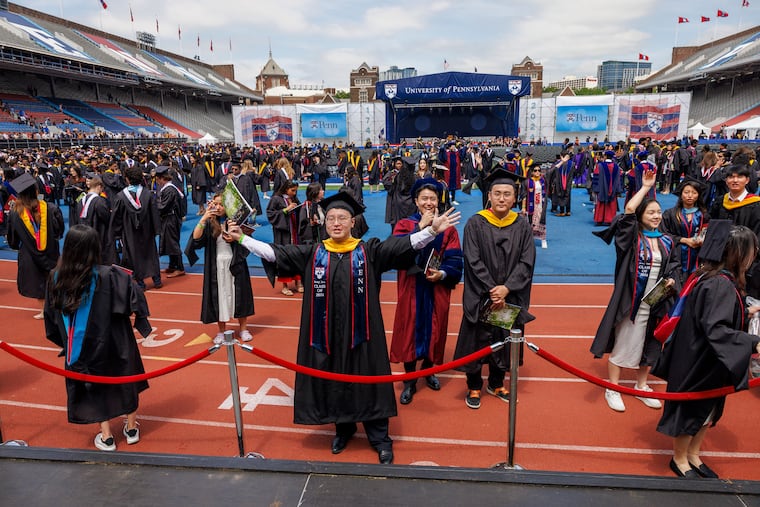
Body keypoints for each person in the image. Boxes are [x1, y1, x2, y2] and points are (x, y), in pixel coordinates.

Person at [226, 191, 460, 465]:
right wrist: (242, 238)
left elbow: (402, 246)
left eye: (342, 218)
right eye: (332, 218)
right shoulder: (314, 253)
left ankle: (380, 438)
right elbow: (275, 253)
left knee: (370, 382)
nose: (336, 223)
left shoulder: (369, 250)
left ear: (352, 222)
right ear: (325, 223)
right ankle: (344, 429)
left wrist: (431, 231)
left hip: (364, 337)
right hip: (327, 337)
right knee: (334, 381)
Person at [651, 221, 760, 479]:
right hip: (700, 359)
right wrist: (753, 342)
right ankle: (680, 459)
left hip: (701, 355)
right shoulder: (719, 284)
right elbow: (716, 328)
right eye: (750, 251)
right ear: (736, 253)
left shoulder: (710, 276)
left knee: (707, 412)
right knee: (693, 411)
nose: (753, 257)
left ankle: (694, 455)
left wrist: (746, 308)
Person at [44, 225, 151, 451]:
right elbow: (136, 298)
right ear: (95, 248)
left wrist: (64, 342)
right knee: (125, 380)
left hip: (85, 349)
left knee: (97, 386)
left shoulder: (56, 278)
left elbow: (51, 318)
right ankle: (131, 429)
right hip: (117, 341)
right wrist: (141, 322)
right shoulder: (110, 275)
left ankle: (107, 436)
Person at [591, 168, 681, 413]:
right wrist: (644, 187)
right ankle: (613, 387)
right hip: (631, 301)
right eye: (651, 212)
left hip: (657, 302)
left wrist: (672, 280)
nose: (656, 216)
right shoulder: (631, 239)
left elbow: (674, 266)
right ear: (642, 215)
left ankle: (642, 386)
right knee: (624, 343)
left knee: (652, 346)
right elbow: (628, 211)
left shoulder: (667, 241)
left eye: (659, 212)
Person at [452, 169, 536, 410]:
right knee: (478, 340)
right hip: (482, 296)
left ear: (514, 197)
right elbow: (472, 259)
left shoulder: (521, 225)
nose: (501, 198)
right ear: (488, 196)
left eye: (507, 194)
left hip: (508, 296)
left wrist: (507, 288)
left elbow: (527, 261)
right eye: (497, 193)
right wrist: (492, 289)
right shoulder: (475, 223)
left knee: (503, 338)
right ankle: (474, 386)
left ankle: (497, 384)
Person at [390, 178, 463, 405]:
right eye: (424, 199)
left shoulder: (448, 227)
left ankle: (428, 371)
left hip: (435, 289)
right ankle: (410, 381)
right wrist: (422, 227)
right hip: (411, 287)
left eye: (433, 198)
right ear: (416, 202)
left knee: (435, 329)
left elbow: (455, 258)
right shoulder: (404, 224)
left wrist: (442, 274)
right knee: (410, 330)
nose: (429, 202)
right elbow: (394, 250)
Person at [185, 193, 255, 344]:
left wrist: (236, 237)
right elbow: (196, 239)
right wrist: (204, 218)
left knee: (240, 295)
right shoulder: (210, 223)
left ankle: (243, 329)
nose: (217, 207)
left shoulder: (236, 221)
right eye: (215, 204)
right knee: (219, 297)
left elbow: (248, 242)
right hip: (216, 265)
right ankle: (221, 331)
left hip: (236, 263)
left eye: (221, 204)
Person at [6, 172, 64, 319]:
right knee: (52, 278)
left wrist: (19, 245)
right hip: (50, 250)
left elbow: (12, 239)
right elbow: (59, 230)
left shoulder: (15, 213)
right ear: (36, 191)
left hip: (29, 253)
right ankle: (58, 307)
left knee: (38, 281)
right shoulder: (50, 208)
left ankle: (44, 310)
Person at [110, 165, 162, 290]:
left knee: (134, 254)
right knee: (150, 253)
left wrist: (117, 233)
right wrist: (156, 230)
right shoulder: (147, 194)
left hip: (129, 231)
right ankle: (157, 279)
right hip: (147, 229)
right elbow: (154, 213)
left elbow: (117, 217)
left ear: (127, 179)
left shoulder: (121, 196)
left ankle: (140, 282)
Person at [659, 179, 708, 282]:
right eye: (686, 192)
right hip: (677, 255)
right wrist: (684, 240)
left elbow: (708, 232)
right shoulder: (670, 214)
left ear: (698, 195)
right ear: (681, 194)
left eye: (694, 193)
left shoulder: (704, 215)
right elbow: (663, 234)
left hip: (697, 257)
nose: (690, 196)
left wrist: (701, 239)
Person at [267, 179, 302, 295]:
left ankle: (298, 282)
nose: (295, 193)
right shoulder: (276, 199)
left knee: (296, 256)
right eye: (292, 190)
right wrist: (285, 210)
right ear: (286, 189)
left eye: (296, 191)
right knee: (284, 258)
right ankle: (285, 285)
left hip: (294, 232)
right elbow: (271, 214)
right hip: (283, 234)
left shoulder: (294, 199)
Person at [76, 175, 116, 265]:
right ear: (99, 186)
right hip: (98, 234)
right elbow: (106, 218)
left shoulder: (81, 200)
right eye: (102, 189)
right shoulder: (99, 201)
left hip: (84, 234)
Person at [592, 150, 622, 226]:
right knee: (611, 204)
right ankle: (609, 220)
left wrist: (595, 189)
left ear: (605, 156)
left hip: (601, 189)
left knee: (601, 204)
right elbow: (619, 179)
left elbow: (596, 177)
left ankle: (599, 220)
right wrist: (618, 190)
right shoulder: (617, 167)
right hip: (613, 189)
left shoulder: (600, 166)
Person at [522, 163, 548, 249]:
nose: (537, 172)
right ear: (532, 172)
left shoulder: (543, 180)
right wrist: (523, 207)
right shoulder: (527, 182)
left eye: (539, 170)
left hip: (541, 205)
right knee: (531, 224)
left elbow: (552, 171)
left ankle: (543, 240)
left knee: (541, 222)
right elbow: (524, 195)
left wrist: (561, 162)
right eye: (535, 170)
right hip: (531, 206)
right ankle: (530, 240)